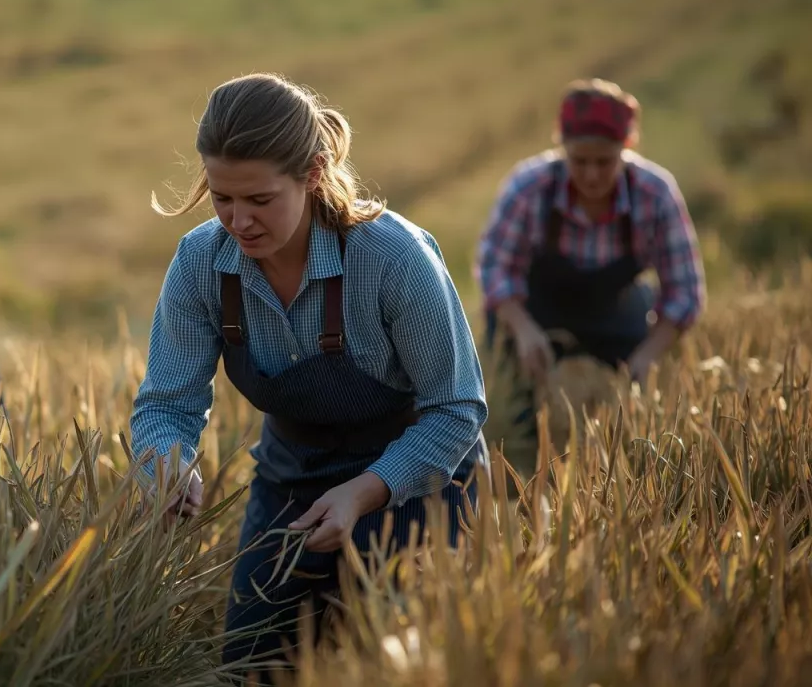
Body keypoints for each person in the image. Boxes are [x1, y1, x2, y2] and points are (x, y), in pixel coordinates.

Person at [128, 73, 489, 683]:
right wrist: (165, 461)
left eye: (260, 200)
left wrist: (363, 491)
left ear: (314, 172)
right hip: (287, 484)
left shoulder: (394, 258)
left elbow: (457, 409)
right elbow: (166, 402)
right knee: (250, 671)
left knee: (395, 665)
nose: (237, 221)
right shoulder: (199, 262)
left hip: (420, 486)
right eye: (221, 197)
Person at [475, 78, 706, 391]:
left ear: (627, 147)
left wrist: (649, 354)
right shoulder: (528, 188)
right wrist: (523, 329)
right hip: (537, 309)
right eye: (580, 161)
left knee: (642, 399)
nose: (592, 174)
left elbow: (685, 290)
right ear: (562, 148)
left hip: (617, 311)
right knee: (508, 387)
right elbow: (494, 268)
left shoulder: (656, 194)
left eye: (604, 161)